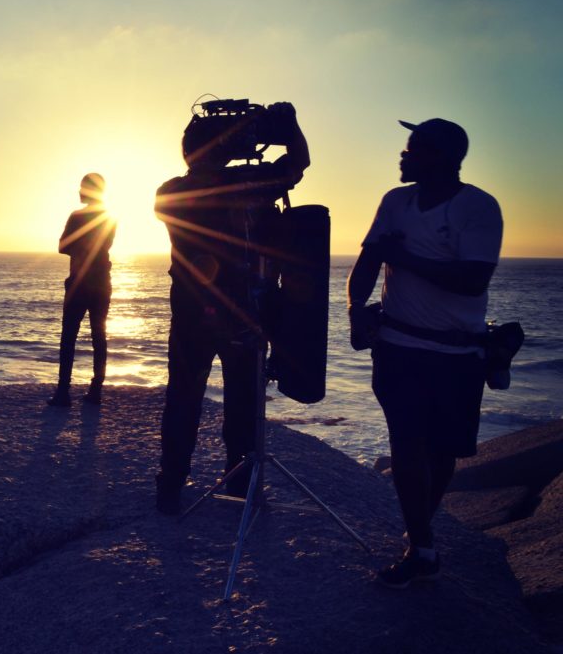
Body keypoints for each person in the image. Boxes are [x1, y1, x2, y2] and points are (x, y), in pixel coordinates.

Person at [348, 118, 502, 588]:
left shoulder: (478, 207)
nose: (402, 156)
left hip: (457, 355)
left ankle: (420, 535)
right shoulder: (396, 202)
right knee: (407, 443)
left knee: (442, 453)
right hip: (397, 347)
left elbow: (472, 279)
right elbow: (370, 258)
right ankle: (422, 545)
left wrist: (406, 256)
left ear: (441, 157)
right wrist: (357, 310)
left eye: (412, 149)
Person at [153, 101, 310, 514]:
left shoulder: (169, 191)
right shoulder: (244, 184)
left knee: (183, 401)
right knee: (241, 406)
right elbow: (299, 162)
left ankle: (170, 486)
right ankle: (239, 486)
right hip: (241, 315)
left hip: (191, 314)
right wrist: (287, 126)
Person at [47, 173, 116, 407]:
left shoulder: (77, 216)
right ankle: (95, 390)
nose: (78, 191)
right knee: (99, 336)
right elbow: (103, 245)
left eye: (82, 187)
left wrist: (78, 245)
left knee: (69, 337)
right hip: (101, 281)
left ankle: (64, 391)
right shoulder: (109, 217)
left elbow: (62, 245)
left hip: (79, 282)